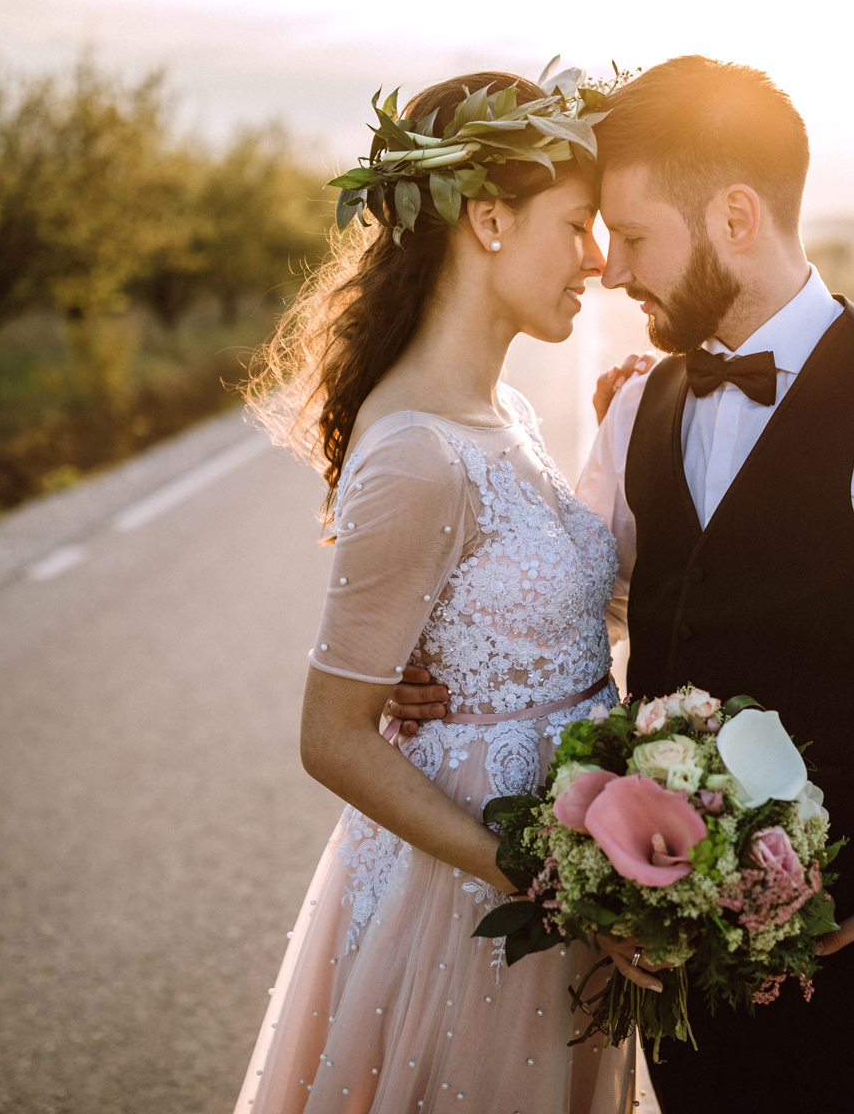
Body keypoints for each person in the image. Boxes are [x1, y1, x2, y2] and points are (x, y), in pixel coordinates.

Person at [390, 56, 854, 1112]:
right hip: (671, 984)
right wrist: (431, 670)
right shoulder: (635, 409)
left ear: (737, 216)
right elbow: (579, 607)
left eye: (636, 234)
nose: (611, 269)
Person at [231, 71, 644, 1114]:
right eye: (578, 224)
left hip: (559, 876)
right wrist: (539, 879)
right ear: (490, 219)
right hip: (475, 908)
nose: (597, 261)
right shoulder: (417, 452)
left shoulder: (501, 411)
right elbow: (333, 735)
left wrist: (632, 450)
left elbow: (546, 622)